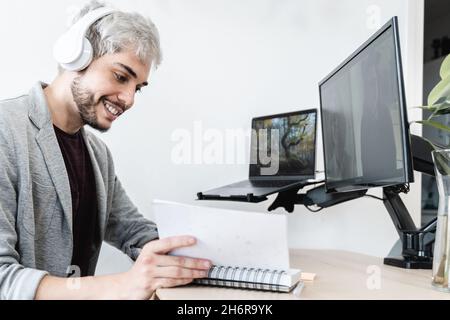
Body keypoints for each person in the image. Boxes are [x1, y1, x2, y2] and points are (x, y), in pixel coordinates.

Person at [0, 0, 211, 300]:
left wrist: (206, 253)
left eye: (137, 87)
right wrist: (123, 285)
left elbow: (133, 231)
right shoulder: (6, 131)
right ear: (76, 57)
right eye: (121, 76)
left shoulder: (98, 155)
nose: (129, 99)